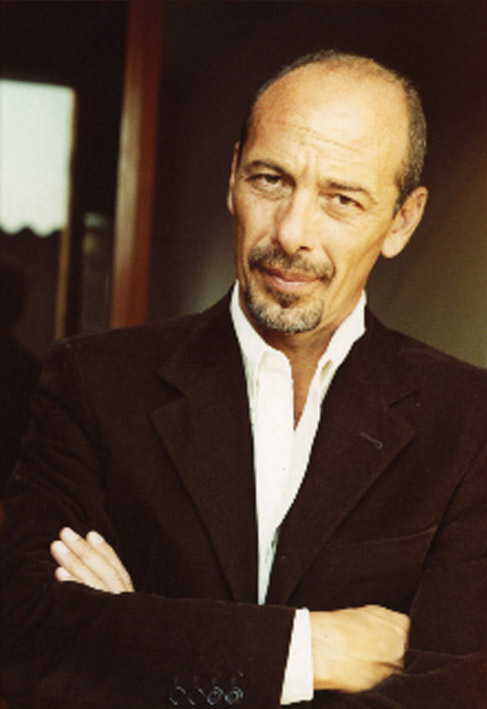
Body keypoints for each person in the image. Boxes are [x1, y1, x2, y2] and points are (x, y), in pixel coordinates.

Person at [1, 50, 487, 708]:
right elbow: (27, 640)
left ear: (402, 220)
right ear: (232, 176)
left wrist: (138, 636)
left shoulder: (469, 421)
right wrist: (308, 649)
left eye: (341, 199)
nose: (290, 233)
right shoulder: (92, 383)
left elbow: (457, 692)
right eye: (270, 179)